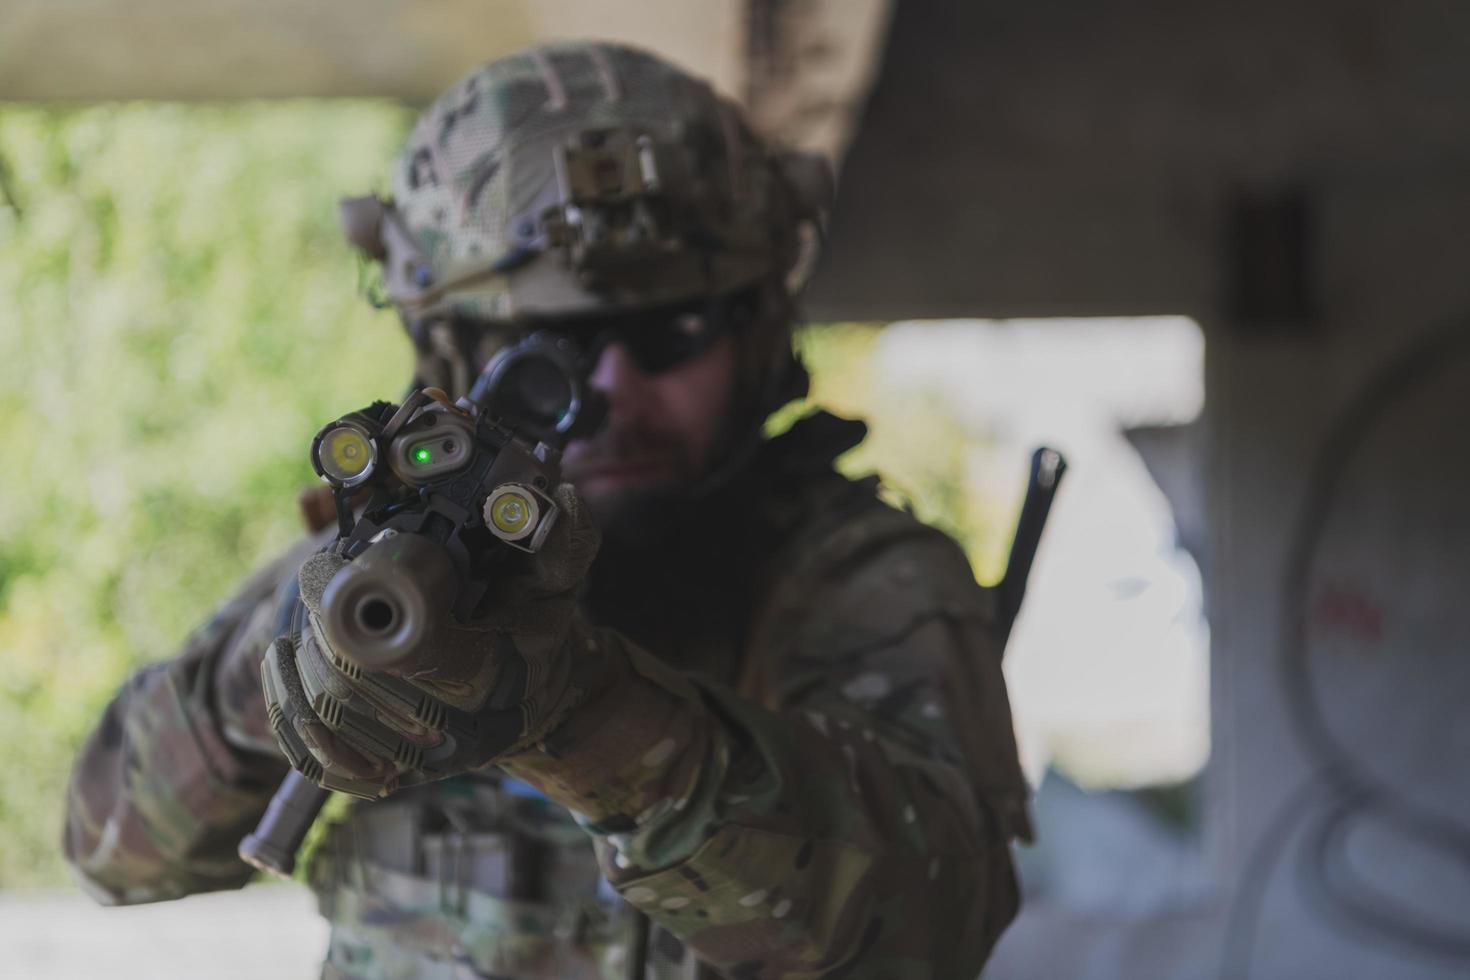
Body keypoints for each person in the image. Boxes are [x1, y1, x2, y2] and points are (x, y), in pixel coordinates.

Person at [64, 41, 1031, 979]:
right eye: (542, 347)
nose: (610, 390)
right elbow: (113, 847)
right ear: (445, 348)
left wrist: (575, 709)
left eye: (674, 330)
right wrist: (284, 672)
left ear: (758, 331)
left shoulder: (857, 579)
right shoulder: (379, 576)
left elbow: (933, 927)